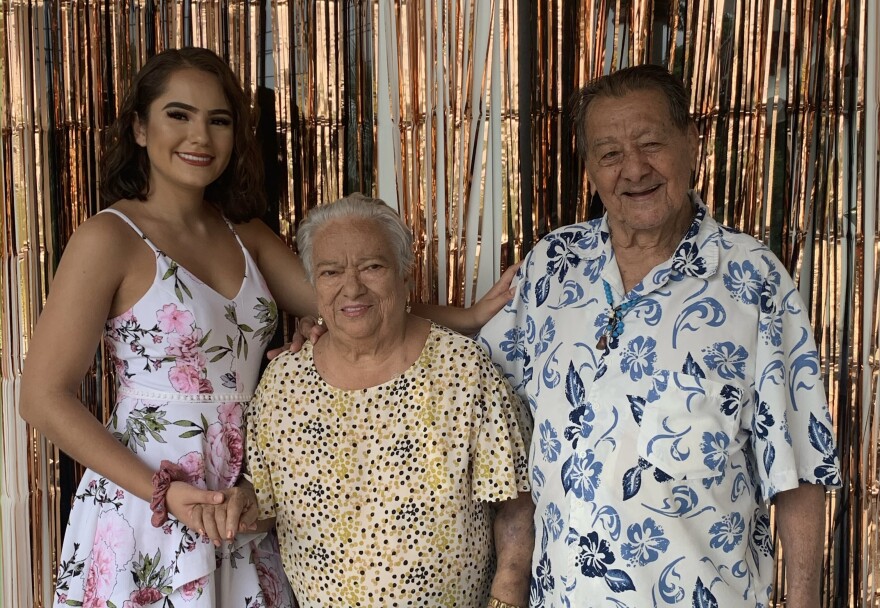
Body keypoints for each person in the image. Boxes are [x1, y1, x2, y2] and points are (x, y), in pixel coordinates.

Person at [18, 47, 515, 608]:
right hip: (148, 494)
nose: (199, 136)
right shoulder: (108, 237)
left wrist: (469, 318)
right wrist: (165, 493)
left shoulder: (245, 234)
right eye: (178, 115)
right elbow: (41, 398)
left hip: (243, 494)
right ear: (138, 127)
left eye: (219, 120)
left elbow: (349, 302)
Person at [476, 64, 842, 608]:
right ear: (591, 169)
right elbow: (476, 380)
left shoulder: (751, 279)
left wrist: (804, 601)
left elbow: (799, 464)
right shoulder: (553, 264)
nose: (635, 169)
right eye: (610, 154)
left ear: (691, 143)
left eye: (651, 143)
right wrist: (338, 333)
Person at [242, 194, 535, 608]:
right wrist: (235, 505)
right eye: (330, 272)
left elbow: (515, 502)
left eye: (372, 267)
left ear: (405, 276)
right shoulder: (283, 383)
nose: (352, 287)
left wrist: (505, 598)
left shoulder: (462, 370)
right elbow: (267, 502)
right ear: (313, 285)